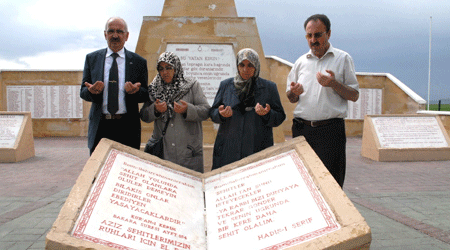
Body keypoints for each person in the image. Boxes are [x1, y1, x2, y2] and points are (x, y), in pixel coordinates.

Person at [286, 14, 359, 187]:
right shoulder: (300, 62)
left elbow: (354, 95)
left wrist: (333, 83)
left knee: (331, 183)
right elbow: (290, 98)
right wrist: (294, 93)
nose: (313, 40)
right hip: (302, 130)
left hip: (330, 132)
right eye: (309, 36)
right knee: (302, 181)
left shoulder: (343, 59)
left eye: (318, 35)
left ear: (329, 33)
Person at [80, 17, 149, 155]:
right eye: (111, 31)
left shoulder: (138, 62)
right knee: (99, 171)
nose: (115, 35)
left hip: (127, 127)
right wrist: (92, 91)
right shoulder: (92, 59)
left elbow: (145, 93)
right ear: (105, 34)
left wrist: (135, 92)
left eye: (119, 31)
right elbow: (83, 91)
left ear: (127, 36)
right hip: (100, 126)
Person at [210, 48, 286, 170]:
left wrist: (267, 114)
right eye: (242, 65)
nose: (245, 69)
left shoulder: (269, 87)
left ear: (256, 66)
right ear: (237, 66)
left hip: (257, 148)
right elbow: (213, 113)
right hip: (229, 149)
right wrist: (220, 114)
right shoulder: (226, 85)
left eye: (250, 65)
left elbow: (280, 116)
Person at [140, 52, 210, 173]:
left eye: (169, 67)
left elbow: (206, 111)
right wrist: (155, 110)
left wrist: (187, 110)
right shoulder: (153, 89)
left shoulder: (192, 86)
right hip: (163, 153)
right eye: (161, 69)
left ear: (176, 67)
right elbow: (144, 116)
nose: (165, 72)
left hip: (188, 153)